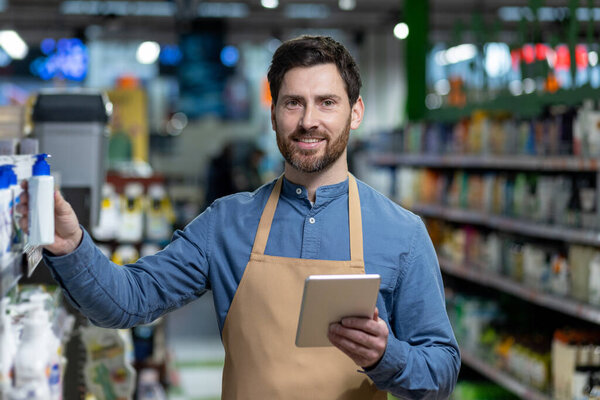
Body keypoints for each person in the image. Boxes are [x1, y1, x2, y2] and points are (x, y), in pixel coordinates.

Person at [18, 35, 460, 399]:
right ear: (273, 114)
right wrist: (72, 244)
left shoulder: (402, 233)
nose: (309, 120)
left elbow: (441, 372)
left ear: (355, 112)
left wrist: (388, 356)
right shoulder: (227, 223)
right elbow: (127, 301)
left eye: (327, 102)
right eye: (293, 103)